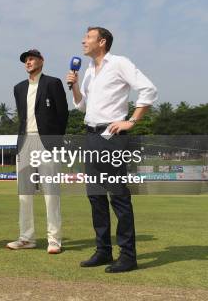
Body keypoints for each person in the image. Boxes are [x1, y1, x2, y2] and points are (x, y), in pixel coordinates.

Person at [67, 26, 157, 273]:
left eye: (88, 37)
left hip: (112, 136)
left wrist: (132, 120)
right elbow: (83, 107)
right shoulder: (86, 71)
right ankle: (103, 251)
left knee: (118, 197)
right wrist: (74, 86)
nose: (83, 41)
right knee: (95, 197)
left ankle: (128, 256)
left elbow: (149, 89)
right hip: (91, 135)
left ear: (102, 42)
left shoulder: (119, 63)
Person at [7, 49, 69, 254]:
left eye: (32, 58)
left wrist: (55, 141)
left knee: (50, 193)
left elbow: (63, 115)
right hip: (25, 141)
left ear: (42, 61)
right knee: (24, 194)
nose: (28, 62)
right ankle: (26, 238)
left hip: (47, 143)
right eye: (26, 59)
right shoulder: (18, 88)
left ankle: (54, 239)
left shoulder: (53, 83)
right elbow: (23, 117)